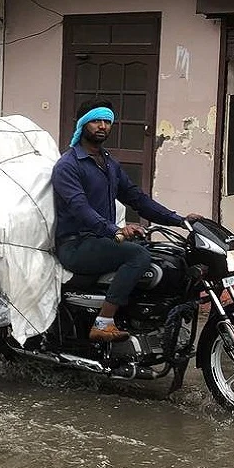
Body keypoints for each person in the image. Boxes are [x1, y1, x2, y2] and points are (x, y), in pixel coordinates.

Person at [51, 99, 199, 342]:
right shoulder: (68, 165)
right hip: (76, 244)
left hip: (101, 240)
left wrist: (180, 220)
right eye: (96, 121)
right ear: (83, 124)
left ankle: (148, 319)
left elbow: (137, 199)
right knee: (137, 255)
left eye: (107, 122)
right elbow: (80, 208)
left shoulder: (108, 163)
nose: (103, 126)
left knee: (166, 256)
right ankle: (103, 323)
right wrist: (115, 230)